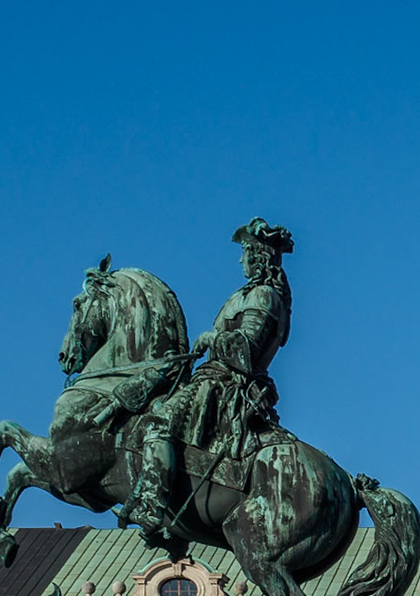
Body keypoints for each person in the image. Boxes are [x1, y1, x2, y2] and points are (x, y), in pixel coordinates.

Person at [121, 218, 294, 540]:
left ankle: (151, 504)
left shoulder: (263, 296)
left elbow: (248, 347)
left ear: (257, 256)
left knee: (159, 422)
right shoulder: (247, 294)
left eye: (244, 252)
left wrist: (211, 339)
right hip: (213, 377)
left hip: (226, 384)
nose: (240, 260)